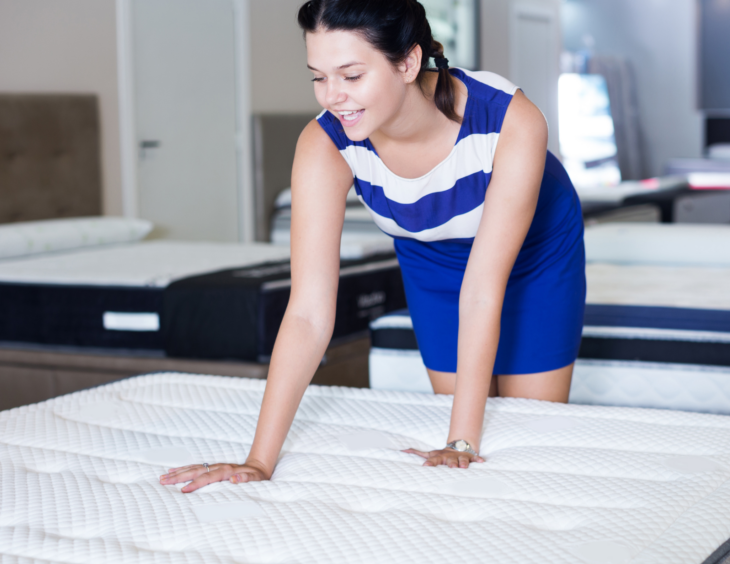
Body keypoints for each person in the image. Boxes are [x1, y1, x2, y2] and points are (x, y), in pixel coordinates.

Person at [160, 0, 584, 493]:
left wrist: (461, 442)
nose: (332, 98)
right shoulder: (324, 145)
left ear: (407, 62)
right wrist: (258, 460)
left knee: (525, 434)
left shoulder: (508, 118)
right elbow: (308, 313)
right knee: (470, 454)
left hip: (536, 256)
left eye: (351, 76)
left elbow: (484, 287)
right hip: (431, 259)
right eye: (318, 77)